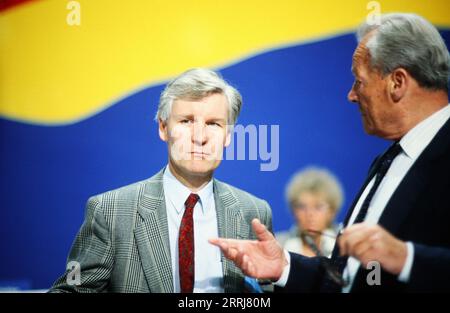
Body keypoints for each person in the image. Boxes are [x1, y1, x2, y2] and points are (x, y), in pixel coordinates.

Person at [210, 13, 450, 292]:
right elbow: (346, 278)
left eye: (359, 81)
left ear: (397, 82)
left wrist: (406, 258)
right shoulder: (388, 161)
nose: (351, 95)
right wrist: (284, 266)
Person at [49, 68, 272, 293]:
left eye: (214, 124)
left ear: (229, 136)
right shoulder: (110, 212)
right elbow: (72, 289)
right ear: (163, 128)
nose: (200, 137)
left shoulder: (254, 212)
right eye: (186, 121)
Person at [276, 167, 344, 258]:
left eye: (318, 207)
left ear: (332, 212)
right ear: (293, 211)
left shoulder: (344, 247)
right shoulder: (278, 245)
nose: (310, 214)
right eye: (302, 207)